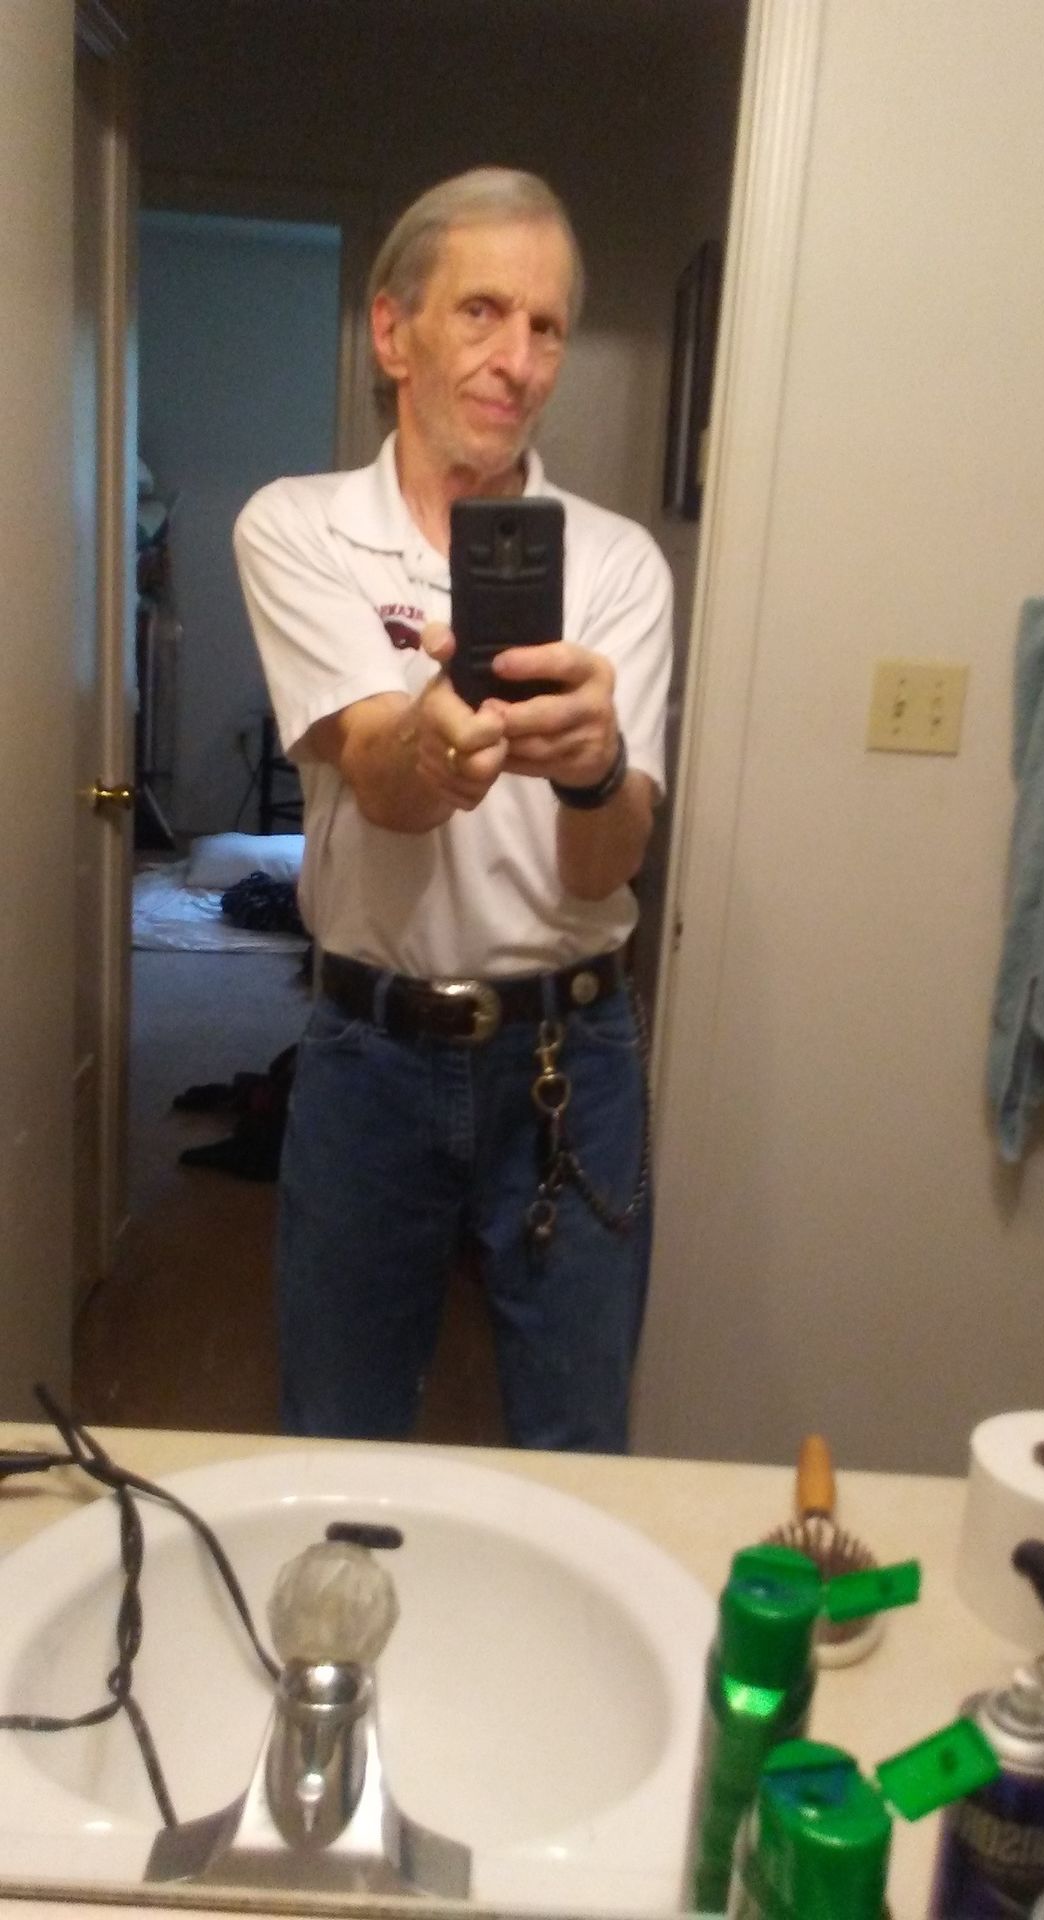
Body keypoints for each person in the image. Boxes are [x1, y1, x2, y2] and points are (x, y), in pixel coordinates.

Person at [234, 168, 673, 1452]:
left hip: (572, 1058)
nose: (517, 359)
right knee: (339, 1437)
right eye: (482, 311)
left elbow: (604, 868)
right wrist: (435, 739)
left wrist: (592, 767)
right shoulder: (298, 527)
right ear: (393, 331)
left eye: (546, 327)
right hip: (369, 1054)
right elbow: (382, 779)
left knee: (579, 1447)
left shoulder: (620, 565)